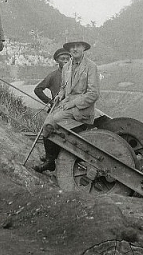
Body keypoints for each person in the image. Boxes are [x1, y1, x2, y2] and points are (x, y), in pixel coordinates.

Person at [34, 41, 99, 173]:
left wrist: (72, 103)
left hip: (82, 109)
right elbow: (64, 87)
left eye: (77, 46)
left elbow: (93, 94)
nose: (74, 49)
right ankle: (50, 160)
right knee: (47, 124)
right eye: (72, 47)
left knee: (52, 122)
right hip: (67, 105)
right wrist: (60, 95)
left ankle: (51, 160)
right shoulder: (67, 67)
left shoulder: (91, 67)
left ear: (83, 48)